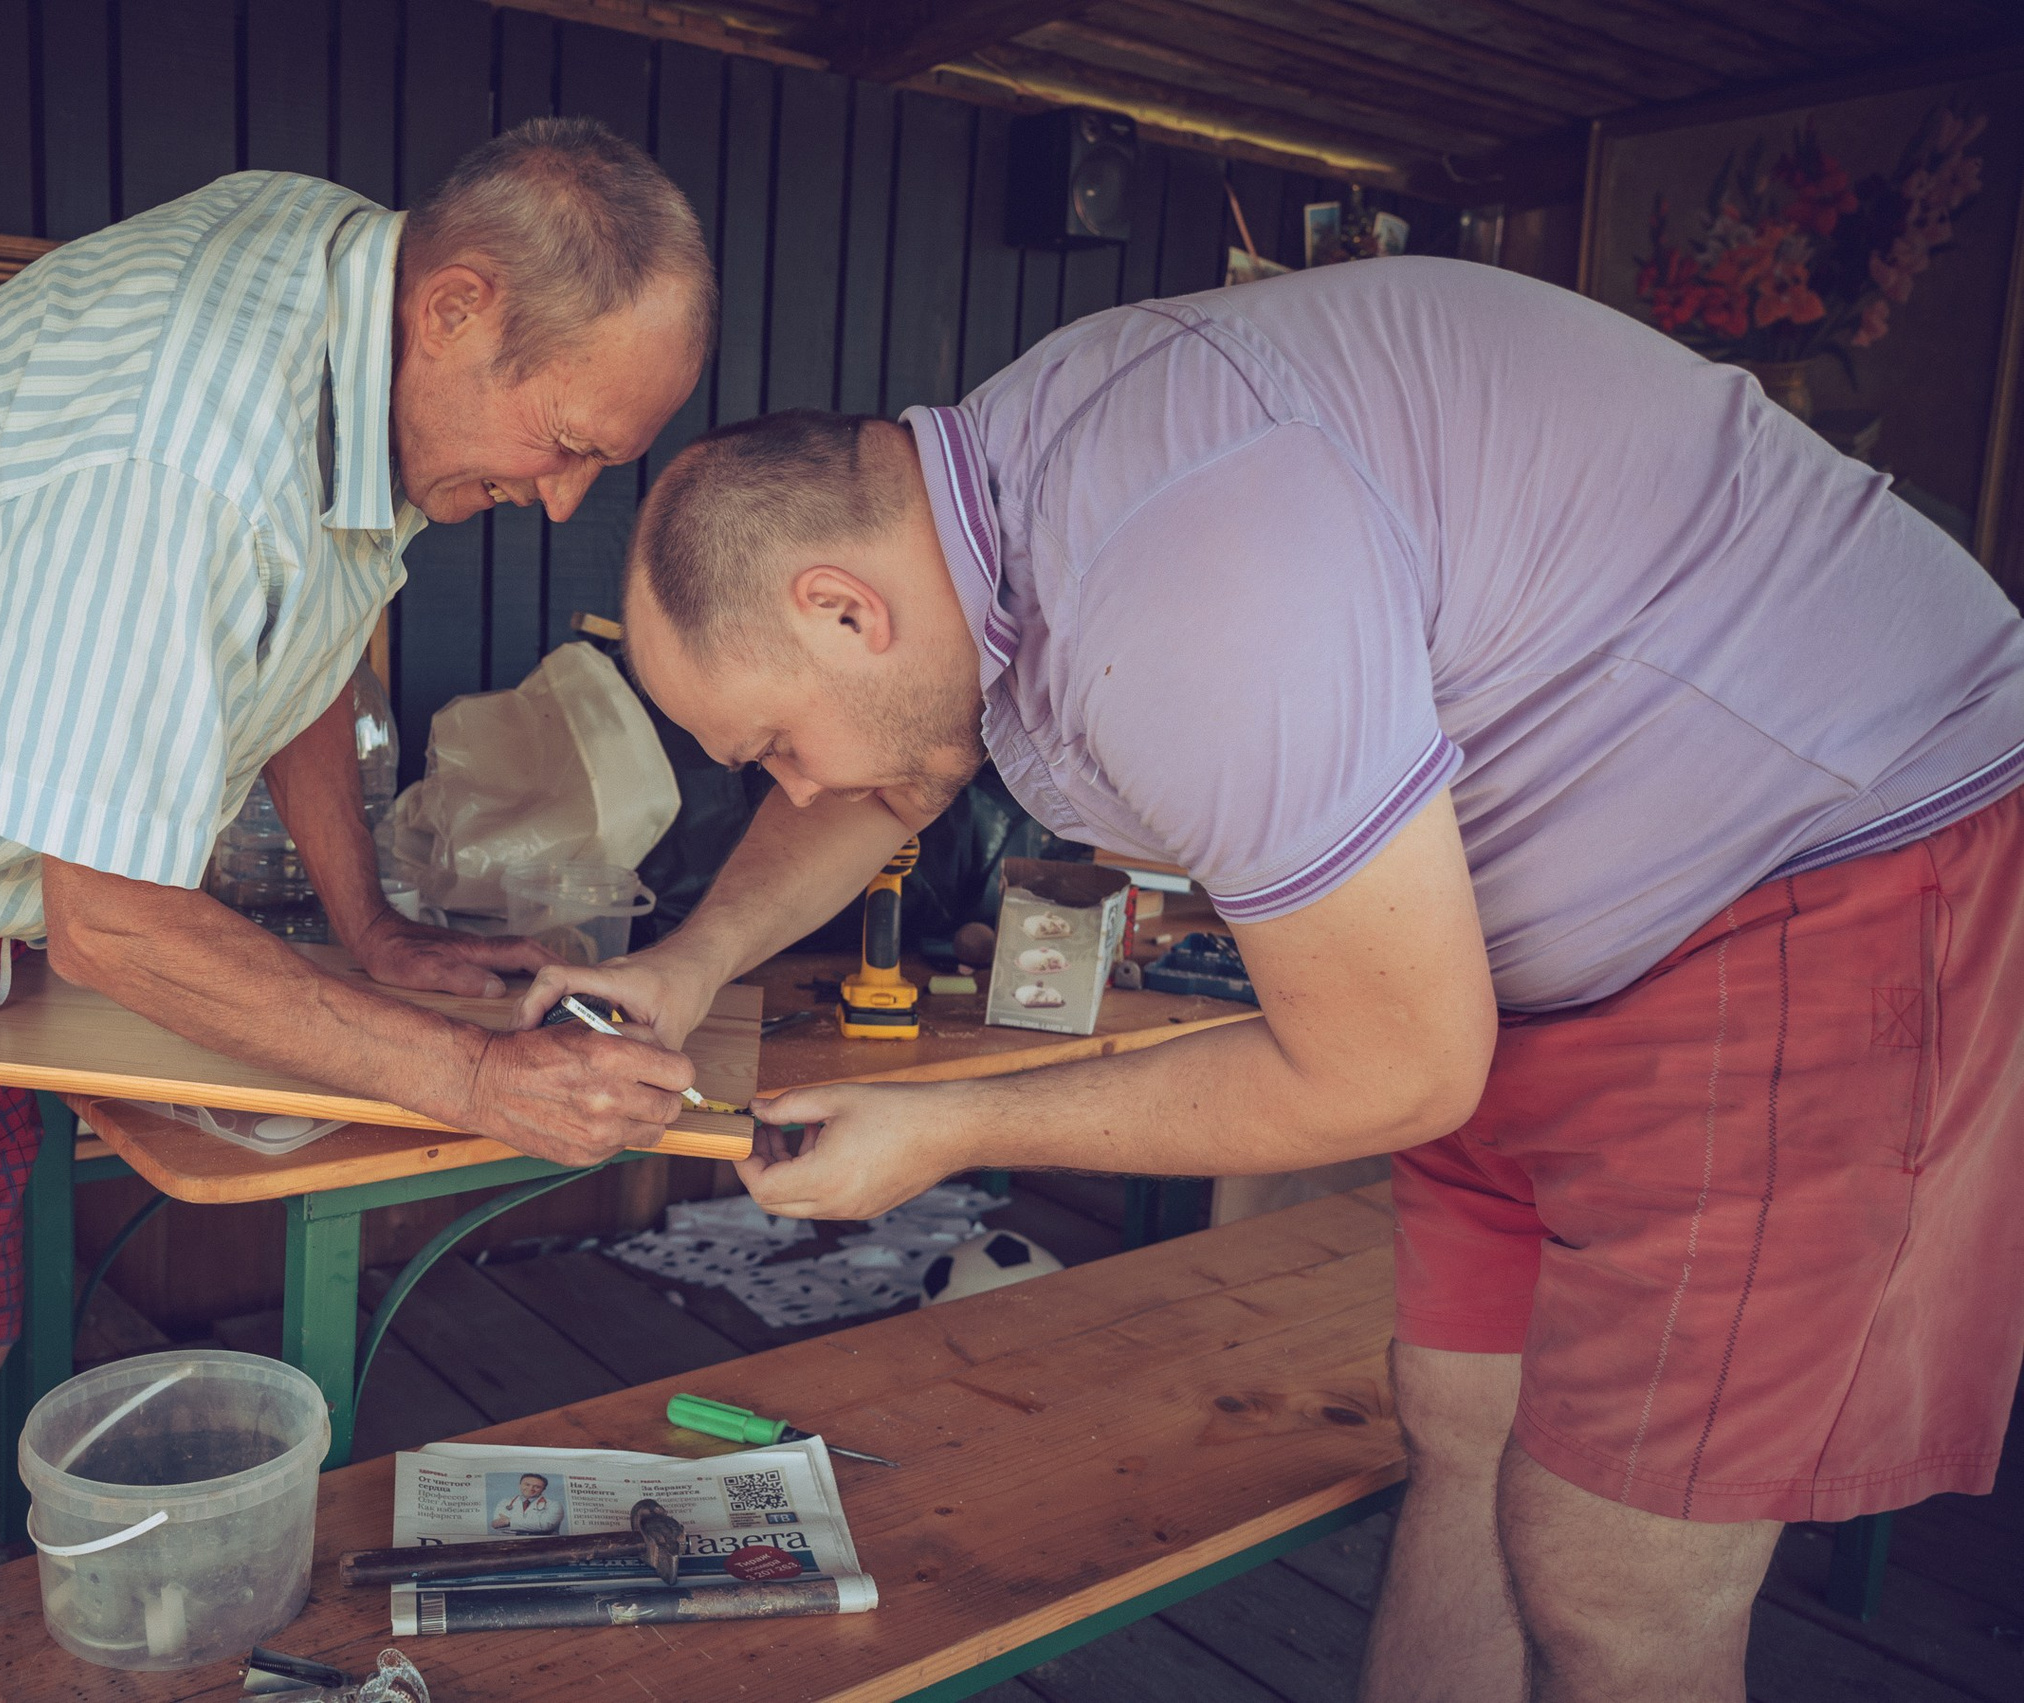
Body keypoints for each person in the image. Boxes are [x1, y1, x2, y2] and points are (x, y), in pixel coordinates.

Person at [524, 259, 2024, 1702]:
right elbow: (885, 772)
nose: (789, 781)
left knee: (1618, 1583)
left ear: (844, 606)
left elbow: (1392, 1071)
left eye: (772, 744)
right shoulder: (997, 504)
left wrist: (955, 1128)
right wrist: (685, 962)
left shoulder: (1172, 563)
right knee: (1458, 1422)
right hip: (1539, 951)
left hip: (1824, 867)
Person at [0, 118, 714, 1703]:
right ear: (457, 306)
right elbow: (118, 926)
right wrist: (480, 1082)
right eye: (564, 438)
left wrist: (367, 931)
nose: (562, 500)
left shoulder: (361, 307)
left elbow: (301, 628)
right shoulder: (186, 443)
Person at [492, 1472, 564, 1535]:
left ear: (543, 1489)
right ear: (520, 1485)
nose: (531, 1489)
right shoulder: (504, 1502)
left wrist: (509, 1521)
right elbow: (497, 1525)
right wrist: (535, 1525)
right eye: (527, 1484)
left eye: (537, 1487)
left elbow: (545, 1526)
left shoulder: (554, 1505)